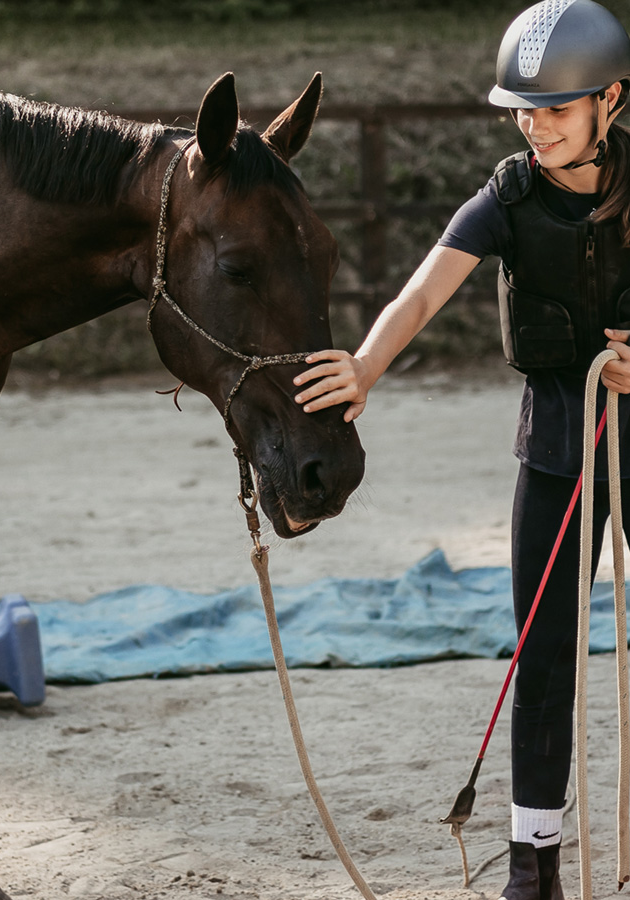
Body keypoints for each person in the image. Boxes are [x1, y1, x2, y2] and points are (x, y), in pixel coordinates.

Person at [293, 1, 630, 898]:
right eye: (524, 109)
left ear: (612, 101)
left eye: (557, 108)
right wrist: (365, 366)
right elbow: (420, 292)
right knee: (543, 651)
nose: (536, 124)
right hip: (558, 446)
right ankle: (532, 862)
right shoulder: (508, 197)